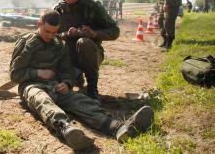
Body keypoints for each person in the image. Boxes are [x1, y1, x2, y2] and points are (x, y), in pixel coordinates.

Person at [9, 10, 154, 151]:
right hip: (31, 85)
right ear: (39, 24)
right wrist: (38, 72)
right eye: (47, 31)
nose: (50, 36)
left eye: (54, 32)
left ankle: (117, 127)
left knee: (81, 101)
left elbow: (67, 70)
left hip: (55, 86)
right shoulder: (26, 42)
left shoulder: (60, 44)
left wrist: (67, 83)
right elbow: (15, 74)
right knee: (42, 100)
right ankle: (66, 128)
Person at [54, 0, 120, 103]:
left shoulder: (93, 8)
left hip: (91, 54)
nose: (69, 0)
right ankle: (75, 76)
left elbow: (114, 31)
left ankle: (92, 89)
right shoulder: (58, 11)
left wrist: (94, 34)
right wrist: (66, 35)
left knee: (84, 43)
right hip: (68, 55)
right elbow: (52, 35)